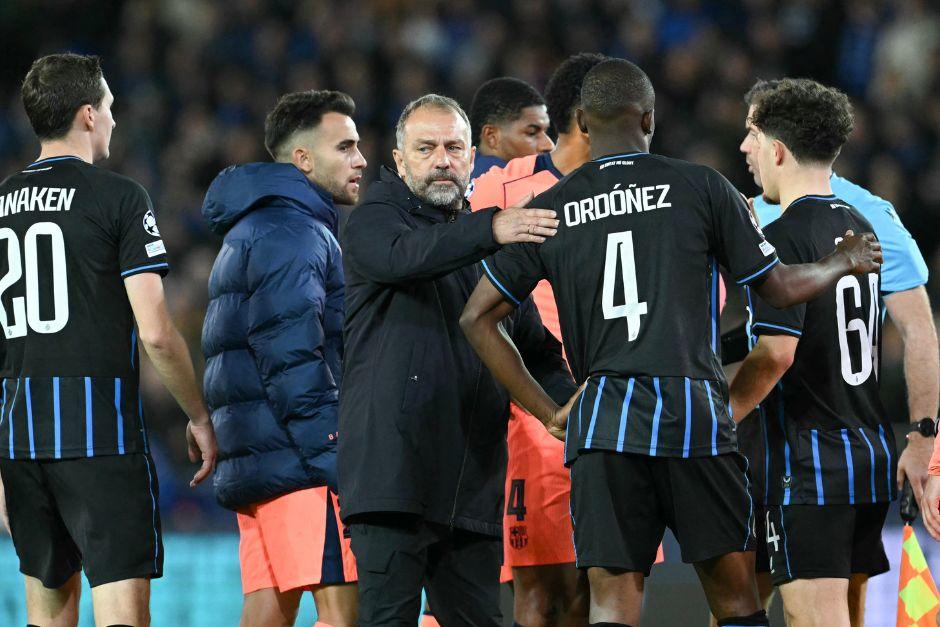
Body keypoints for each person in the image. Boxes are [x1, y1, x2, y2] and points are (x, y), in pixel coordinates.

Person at [460, 59, 882, 627]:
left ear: (581, 122)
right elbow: (780, 289)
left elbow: (477, 319)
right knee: (736, 600)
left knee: (612, 604)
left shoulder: (553, 208)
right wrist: (839, 262)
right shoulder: (700, 185)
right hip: (695, 419)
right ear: (651, 117)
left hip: (604, 424)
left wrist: (548, 411)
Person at [338, 93, 575, 626]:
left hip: (471, 486)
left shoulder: (484, 244)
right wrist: (492, 227)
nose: (442, 159)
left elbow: (535, 350)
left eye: (452, 147)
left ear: (472, 157)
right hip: (392, 481)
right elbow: (406, 258)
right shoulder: (376, 216)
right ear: (399, 162)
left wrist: (570, 407)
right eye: (425, 149)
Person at [0, 53, 217, 627]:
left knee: (49, 616)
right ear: (88, 115)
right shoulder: (120, 197)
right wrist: (198, 415)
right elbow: (157, 333)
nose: (117, 121)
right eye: (112, 109)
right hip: (100, 435)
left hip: (20, 442)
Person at [734, 78, 938, 620]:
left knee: (807, 612)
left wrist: (718, 414)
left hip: (805, 449)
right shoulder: (857, 226)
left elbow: (916, 330)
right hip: (850, 443)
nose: (745, 149)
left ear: (778, 146)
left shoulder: (791, 230)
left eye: (753, 134)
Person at [201, 90, 364, 627]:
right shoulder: (296, 232)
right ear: (303, 159)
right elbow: (292, 356)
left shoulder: (251, 228)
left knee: (267, 611)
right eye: (345, 146)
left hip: (260, 458)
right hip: (303, 459)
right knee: (344, 614)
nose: (361, 159)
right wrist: (337, 456)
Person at [468, 52, 607, 627]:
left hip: (617, 409)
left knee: (608, 586)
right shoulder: (503, 188)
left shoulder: (645, 189)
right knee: (541, 592)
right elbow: (462, 284)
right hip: (539, 416)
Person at [469, 77, 554, 179]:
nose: (549, 145)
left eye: (546, 132)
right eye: (532, 133)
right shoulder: (512, 185)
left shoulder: (464, 174)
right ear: (492, 136)